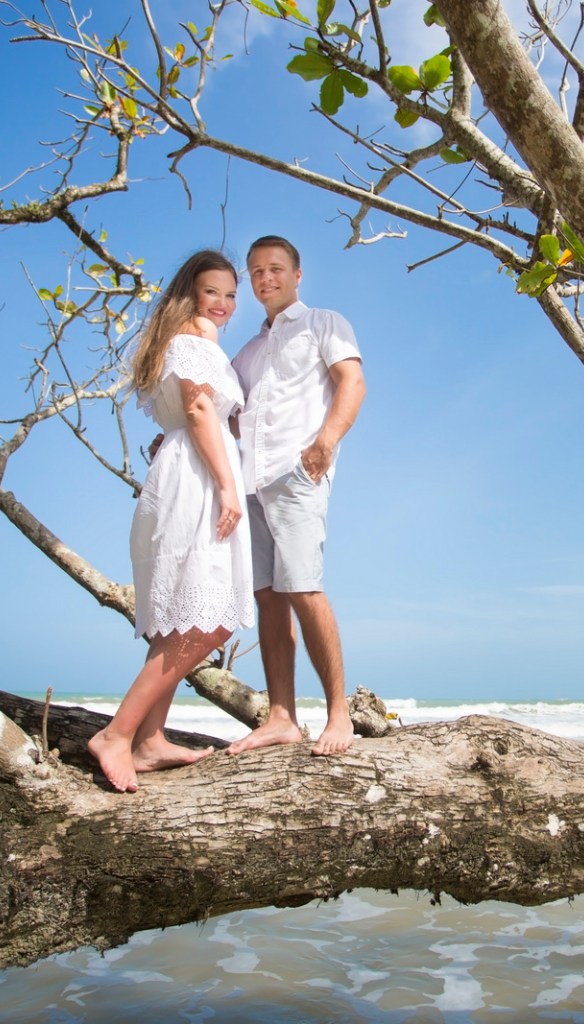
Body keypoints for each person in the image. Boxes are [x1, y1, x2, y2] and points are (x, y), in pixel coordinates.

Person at [88, 250, 254, 792]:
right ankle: (116, 734)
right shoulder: (193, 337)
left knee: (188, 610)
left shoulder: (184, 340)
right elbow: (201, 410)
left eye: (232, 295)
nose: (225, 304)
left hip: (185, 470)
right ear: (191, 293)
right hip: (199, 482)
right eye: (214, 292)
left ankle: (149, 740)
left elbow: (187, 415)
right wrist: (228, 486)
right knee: (206, 616)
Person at [226, 235, 365, 757]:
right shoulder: (247, 353)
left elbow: (352, 382)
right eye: (257, 271)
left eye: (276, 268)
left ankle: (339, 714)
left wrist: (325, 442)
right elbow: (227, 417)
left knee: (304, 588)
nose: (266, 278)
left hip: (298, 471)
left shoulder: (324, 322)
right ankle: (281, 716)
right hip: (251, 482)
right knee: (268, 597)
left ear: (297, 273)